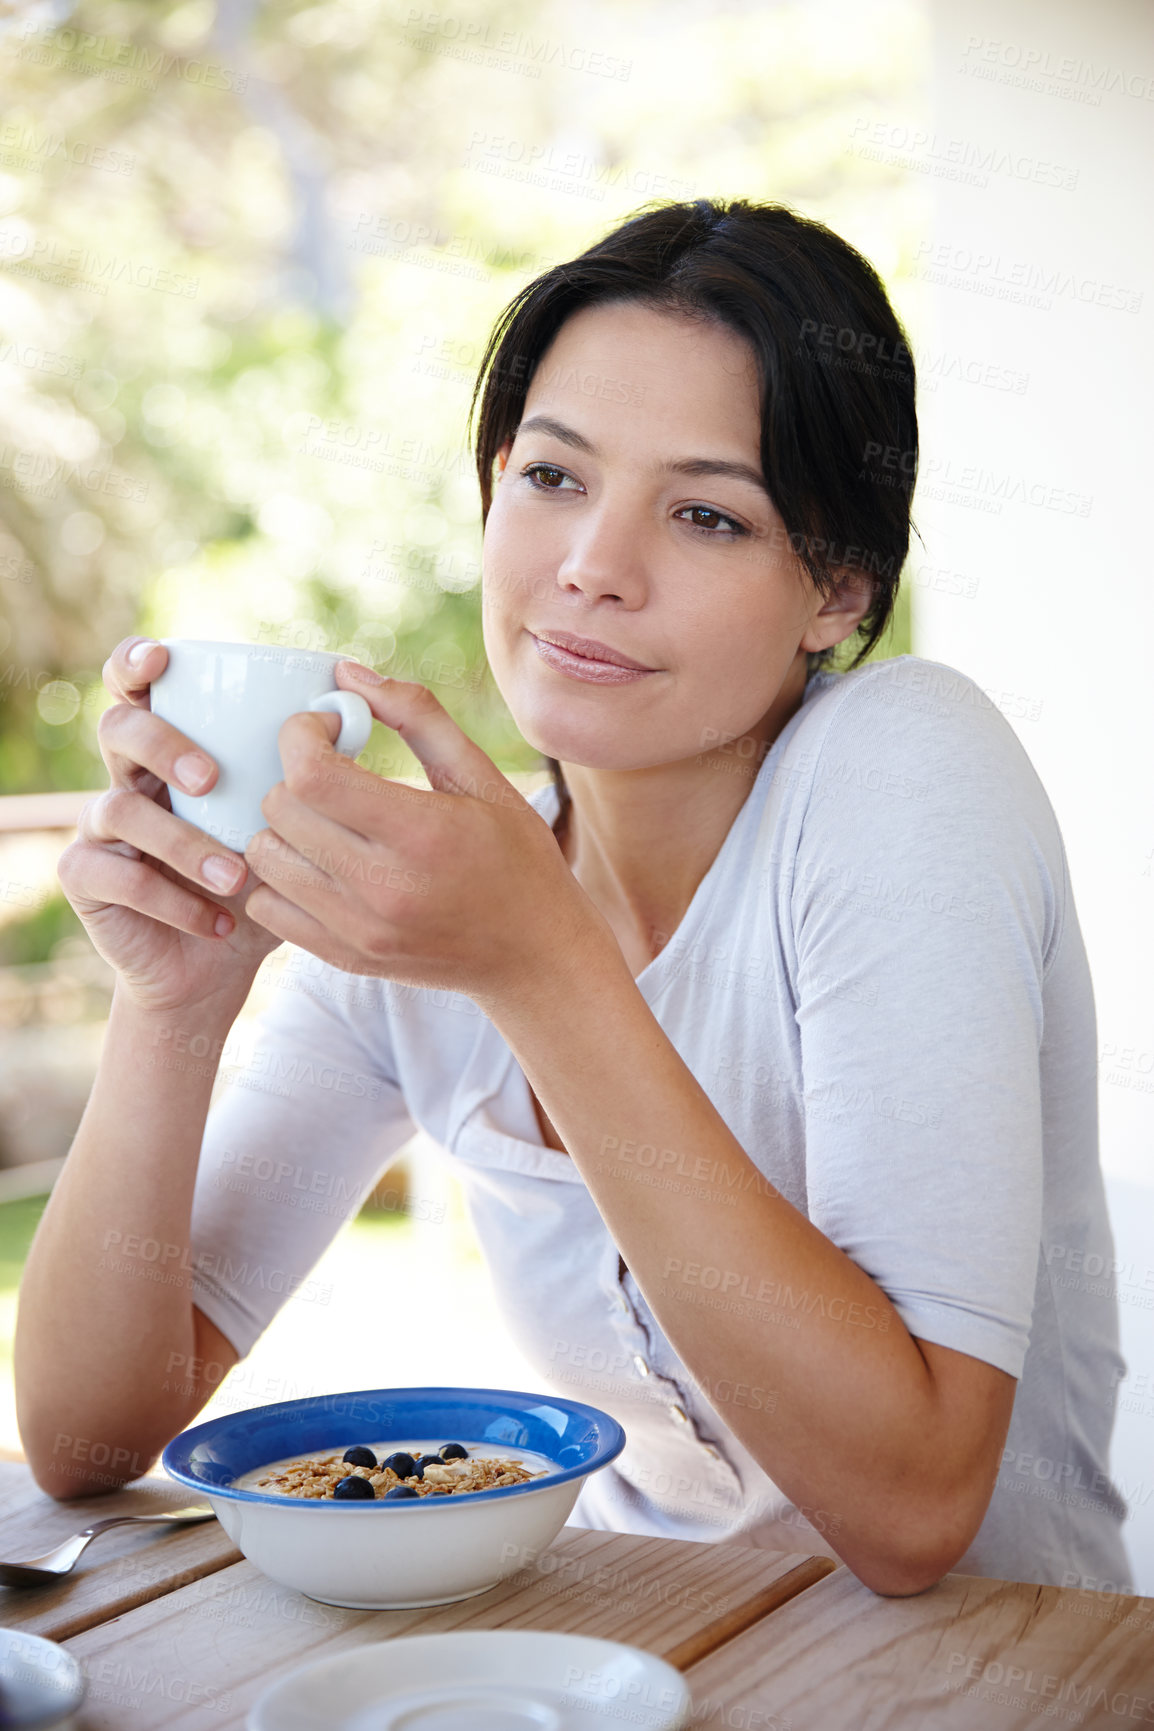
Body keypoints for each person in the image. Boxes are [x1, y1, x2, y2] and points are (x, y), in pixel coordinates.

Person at [16, 198, 1129, 1597]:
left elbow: (912, 1511)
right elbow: (81, 1437)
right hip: (624, 1667)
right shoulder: (437, 902)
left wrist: (541, 969)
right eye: (552, 477)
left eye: (707, 513)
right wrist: (171, 1004)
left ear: (836, 591)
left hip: (991, 1678)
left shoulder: (900, 768)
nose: (592, 567)